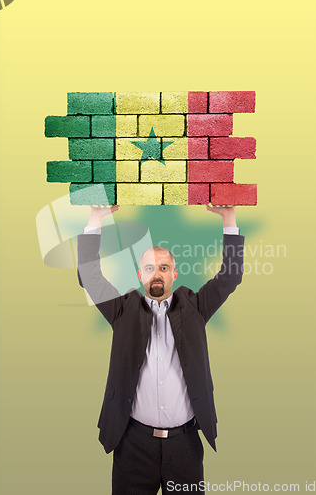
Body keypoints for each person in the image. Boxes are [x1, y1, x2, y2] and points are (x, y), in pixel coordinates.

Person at [77, 204, 245, 495]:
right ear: (139, 274)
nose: (157, 274)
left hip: (185, 445)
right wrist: (97, 217)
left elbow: (229, 277)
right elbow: (89, 276)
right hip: (132, 443)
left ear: (174, 274)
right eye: (150, 268)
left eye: (164, 268)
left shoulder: (195, 307)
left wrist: (228, 218)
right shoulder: (122, 310)